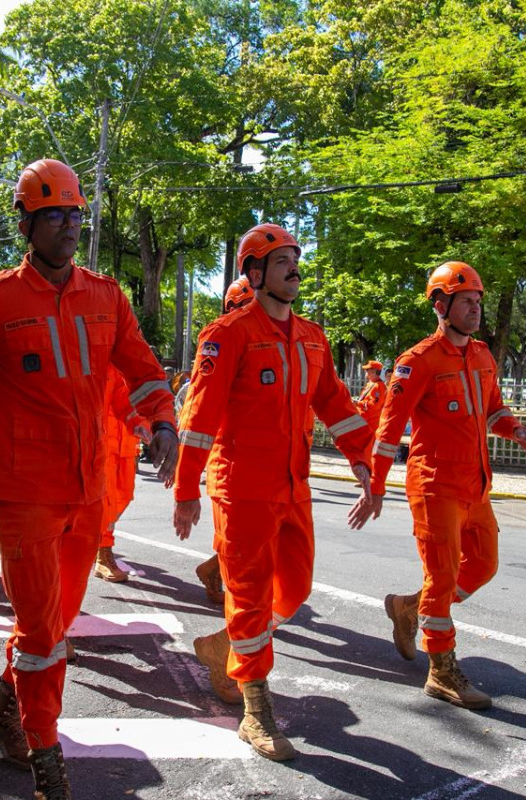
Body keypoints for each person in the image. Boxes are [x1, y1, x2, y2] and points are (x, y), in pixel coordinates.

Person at [0, 158, 178, 799]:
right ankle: (47, 758)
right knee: (39, 634)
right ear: (26, 224)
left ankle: (6, 709)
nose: (68, 224)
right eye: (53, 213)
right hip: (25, 494)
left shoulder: (106, 296)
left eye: (74, 212)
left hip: (88, 492)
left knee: (55, 623)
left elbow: (144, 371)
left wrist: (163, 422)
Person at [173, 222, 374, 761]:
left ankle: (226, 647)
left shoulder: (311, 336)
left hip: (293, 487)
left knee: (296, 586)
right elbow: (199, 419)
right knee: (249, 595)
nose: (294, 268)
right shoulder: (227, 334)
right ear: (255, 273)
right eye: (282, 261)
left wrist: (361, 459)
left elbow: (335, 404)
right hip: (241, 489)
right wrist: (186, 489)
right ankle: (255, 709)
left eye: (295, 259)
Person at [350, 261, 526, 711]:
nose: (475, 309)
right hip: (434, 486)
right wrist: (375, 486)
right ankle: (441, 671)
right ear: (440, 305)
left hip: (476, 485)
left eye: (477, 301)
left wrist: (514, 429)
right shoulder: (417, 362)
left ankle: (408, 608)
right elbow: (388, 432)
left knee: (483, 565)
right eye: (466, 301)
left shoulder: (482, 355)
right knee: (442, 578)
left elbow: (493, 410)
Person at [192, 277, 257, 607]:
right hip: (232, 456)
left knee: (257, 538)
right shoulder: (221, 338)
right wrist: (186, 480)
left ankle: (213, 570)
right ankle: (241, 622)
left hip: (271, 458)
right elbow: (200, 408)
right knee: (238, 540)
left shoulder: (282, 338)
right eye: (248, 305)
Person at [94, 368, 150, 583]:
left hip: (126, 439)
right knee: (106, 501)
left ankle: (98, 543)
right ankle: (103, 552)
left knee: (124, 495)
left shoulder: (131, 360)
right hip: (103, 440)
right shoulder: (98, 357)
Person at [356, 360, 386, 434]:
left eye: (367, 370)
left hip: (370, 424)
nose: (366, 372)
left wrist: (358, 403)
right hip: (364, 421)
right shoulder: (371, 383)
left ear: (373, 372)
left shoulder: (379, 386)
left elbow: (375, 405)